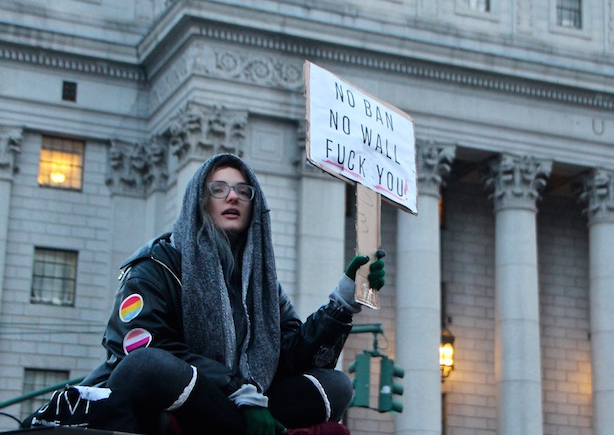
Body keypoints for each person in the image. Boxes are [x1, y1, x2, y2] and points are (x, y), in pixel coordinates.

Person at [27, 153, 385, 435]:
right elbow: (140, 345)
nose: (233, 196)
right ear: (200, 201)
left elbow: (290, 355)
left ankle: (241, 425)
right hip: (168, 399)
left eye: (244, 191)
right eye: (219, 189)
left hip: (231, 405)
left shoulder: (261, 282)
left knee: (334, 386)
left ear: (254, 209)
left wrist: (341, 303)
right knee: (147, 366)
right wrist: (240, 390)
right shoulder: (156, 264)